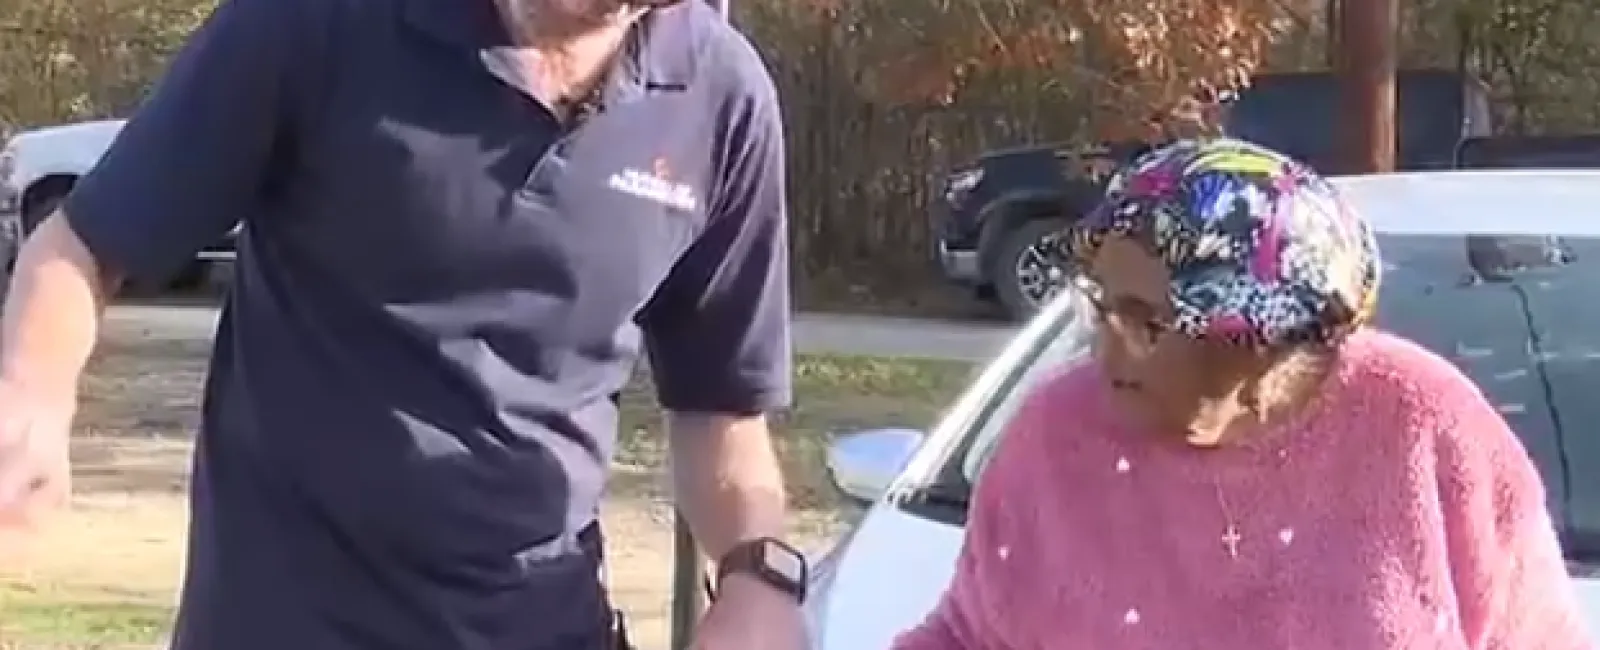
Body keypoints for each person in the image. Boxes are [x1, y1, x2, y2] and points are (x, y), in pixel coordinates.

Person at [0, 0, 810, 648]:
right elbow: (81, 245)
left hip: (547, 620)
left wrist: (756, 579)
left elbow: (722, 415)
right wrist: (32, 393)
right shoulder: (314, 24)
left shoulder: (719, 98)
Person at [892, 139, 1590, 649]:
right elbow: (965, 634)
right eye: (1100, 304)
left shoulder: (1426, 426)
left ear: (1260, 337)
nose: (1105, 346)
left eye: (1145, 321)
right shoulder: (1055, 434)